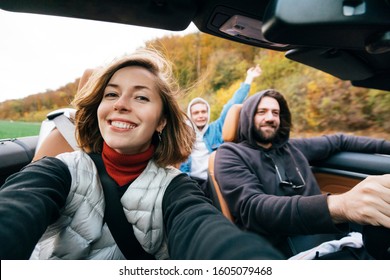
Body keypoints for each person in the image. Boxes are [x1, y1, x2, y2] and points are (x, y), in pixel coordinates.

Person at [0, 49, 284, 260]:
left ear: (161, 121)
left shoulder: (177, 187)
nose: (121, 104)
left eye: (141, 97)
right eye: (111, 95)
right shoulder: (59, 170)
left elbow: (204, 229)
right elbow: (16, 207)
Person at [214, 89, 390, 259]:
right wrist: (340, 205)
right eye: (262, 112)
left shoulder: (293, 147)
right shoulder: (229, 154)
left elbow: (340, 141)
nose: (270, 118)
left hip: (328, 232)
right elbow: (253, 207)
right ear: (247, 117)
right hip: (285, 248)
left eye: (275, 113)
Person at [180, 65, 262, 194]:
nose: (201, 115)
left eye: (203, 111)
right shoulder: (183, 135)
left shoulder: (216, 128)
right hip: (190, 182)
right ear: (190, 115)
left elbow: (233, 104)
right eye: (196, 113)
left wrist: (249, 78)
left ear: (208, 113)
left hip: (214, 182)